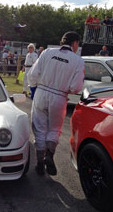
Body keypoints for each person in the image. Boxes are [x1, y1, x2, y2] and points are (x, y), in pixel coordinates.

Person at [28, 31, 84, 176]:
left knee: (39, 129)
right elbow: (76, 87)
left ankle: (40, 163)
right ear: (75, 43)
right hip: (59, 96)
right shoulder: (78, 61)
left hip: (41, 92)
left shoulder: (47, 52)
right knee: (54, 129)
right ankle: (49, 155)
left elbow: (32, 75)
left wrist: (34, 87)